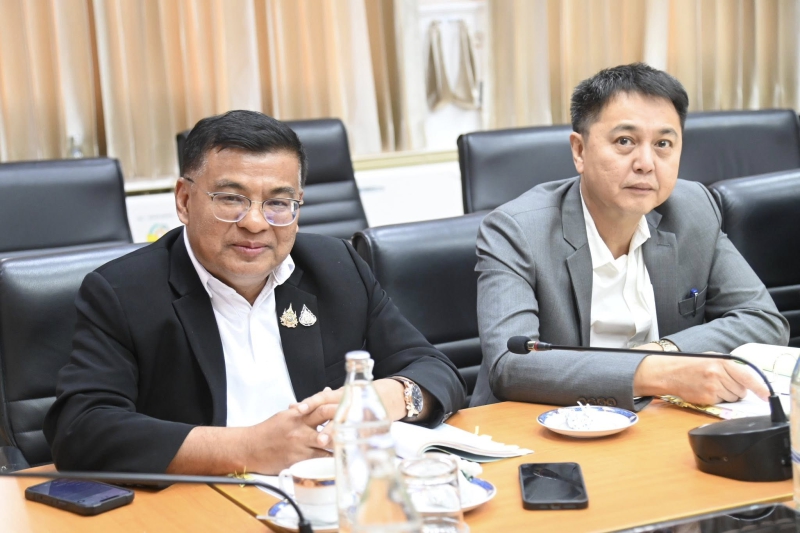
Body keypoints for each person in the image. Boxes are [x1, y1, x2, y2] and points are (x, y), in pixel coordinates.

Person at [44, 110, 466, 474]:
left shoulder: (336, 267)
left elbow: (435, 369)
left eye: (278, 203)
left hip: (326, 492)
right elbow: (81, 430)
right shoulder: (122, 292)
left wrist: (387, 397)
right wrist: (248, 449)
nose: (255, 223)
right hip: (204, 503)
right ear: (185, 200)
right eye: (231, 199)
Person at [470, 63, 789, 410]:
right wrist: (656, 372)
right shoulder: (515, 230)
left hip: (658, 418)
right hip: (540, 422)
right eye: (625, 141)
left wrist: (664, 352)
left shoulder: (694, 208)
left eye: (663, 143)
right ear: (579, 151)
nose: (646, 163)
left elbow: (763, 320)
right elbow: (510, 365)